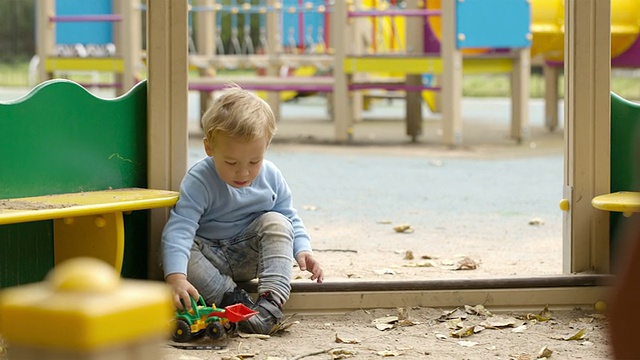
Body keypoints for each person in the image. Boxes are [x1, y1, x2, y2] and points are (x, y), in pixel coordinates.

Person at [161, 84, 324, 335]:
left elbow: (289, 216)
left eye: (254, 161)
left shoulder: (271, 176)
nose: (243, 172)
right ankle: (233, 300)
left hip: (252, 254)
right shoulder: (200, 180)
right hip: (210, 259)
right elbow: (180, 228)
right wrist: (176, 277)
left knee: (277, 221)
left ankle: (270, 305)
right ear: (209, 148)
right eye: (231, 162)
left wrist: (303, 249)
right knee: (174, 249)